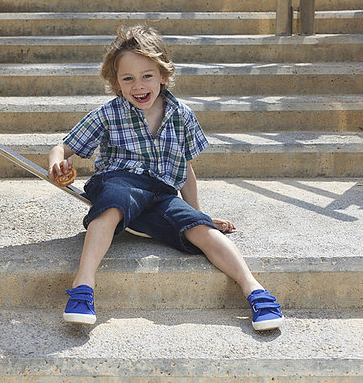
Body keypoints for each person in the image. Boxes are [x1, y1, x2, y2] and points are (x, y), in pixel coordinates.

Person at [47, 25, 284, 331]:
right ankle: (83, 287)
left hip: (162, 194)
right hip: (119, 180)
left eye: (147, 75)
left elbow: (184, 169)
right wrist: (56, 164)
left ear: (163, 75)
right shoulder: (109, 114)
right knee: (114, 203)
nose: (138, 85)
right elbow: (62, 147)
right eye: (127, 78)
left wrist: (200, 214)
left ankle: (255, 290)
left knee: (203, 230)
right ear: (116, 83)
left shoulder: (181, 115)